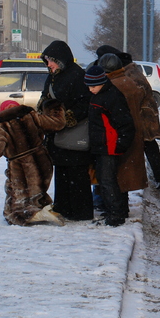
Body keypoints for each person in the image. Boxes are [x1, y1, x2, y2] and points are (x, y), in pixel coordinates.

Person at [0, 99, 67, 226]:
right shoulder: (31, 116)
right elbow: (57, 123)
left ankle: (33, 214)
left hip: (22, 166)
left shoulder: (1, 126)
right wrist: (54, 108)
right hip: (43, 160)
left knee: (16, 202)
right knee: (37, 190)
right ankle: (42, 208)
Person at [96, 45, 160, 189]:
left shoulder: (128, 73)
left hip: (142, 117)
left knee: (148, 146)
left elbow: (135, 95)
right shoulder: (130, 69)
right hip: (143, 115)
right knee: (149, 147)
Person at [39, 40, 95, 221]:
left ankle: (80, 212)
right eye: (47, 61)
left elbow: (85, 103)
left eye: (51, 61)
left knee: (77, 174)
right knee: (62, 172)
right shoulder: (54, 75)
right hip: (57, 135)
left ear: (61, 59)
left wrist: (67, 119)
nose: (49, 65)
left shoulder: (77, 75)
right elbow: (45, 96)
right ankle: (64, 208)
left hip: (74, 133)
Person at [84, 65, 135, 227]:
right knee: (105, 180)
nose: (91, 89)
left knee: (108, 181)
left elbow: (125, 123)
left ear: (102, 83)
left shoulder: (112, 97)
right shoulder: (99, 95)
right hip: (101, 145)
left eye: (93, 86)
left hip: (109, 146)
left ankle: (116, 215)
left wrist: (121, 143)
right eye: (89, 86)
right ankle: (112, 211)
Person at [96, 52, 149, 198]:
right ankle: (121, 209)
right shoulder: (127, 81)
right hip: (131, 133)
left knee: (114, 177)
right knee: (124, 177)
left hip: (118, 135)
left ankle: (116, 212)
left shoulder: (113, 85)